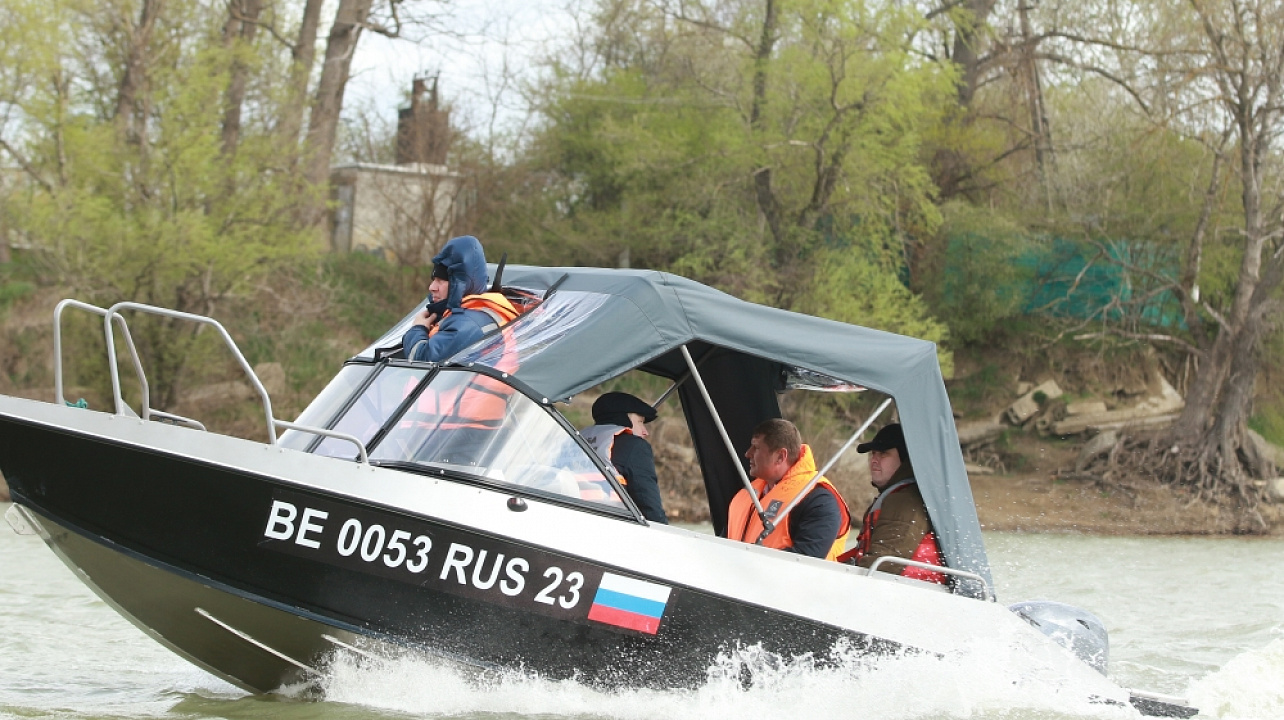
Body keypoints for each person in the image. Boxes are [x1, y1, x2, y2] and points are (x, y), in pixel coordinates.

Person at [724, 418, 851, 560]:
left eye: (756, 448)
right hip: (734, 578)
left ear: (780, 456)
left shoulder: (818, 500)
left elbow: (807, 561)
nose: (748, 453)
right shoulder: (746, 494)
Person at [837, 423, 947, 583]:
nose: (874, 460)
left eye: (883, 454)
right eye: (873, 454)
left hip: (905, 596)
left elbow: (884, 565)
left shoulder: (905, 502)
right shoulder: (898, 496)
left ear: (905, 459)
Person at [401, 235, 519, 363]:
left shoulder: (468, 323)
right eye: (433, 280)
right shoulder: (464, 315)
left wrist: (418, 328)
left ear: (460, 284)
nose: (432, 287)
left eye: (441, 281)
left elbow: (421, 361)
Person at [580, 392, 668, 524]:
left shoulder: (574, 441)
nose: (645, 431)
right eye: (640, 422)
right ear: (623, 419)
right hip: (611, 528)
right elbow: (649, 506)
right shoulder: (634, 446)